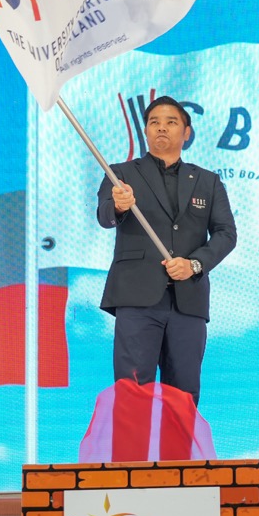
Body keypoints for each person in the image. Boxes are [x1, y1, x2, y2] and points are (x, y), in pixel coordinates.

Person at [97, 96, 237, 406]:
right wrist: (118, 205)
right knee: (132, 395)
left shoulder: (208, 181)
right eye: (154, 122)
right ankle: (131, 443)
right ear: (145, 131)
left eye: (171, 122)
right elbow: (104, 215)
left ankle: (181, 442)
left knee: (183, 399)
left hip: (188, 302)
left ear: (186, 133)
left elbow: (226, 234)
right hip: (136, 298)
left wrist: (194, 265)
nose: (161, 128)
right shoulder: (121, 174)